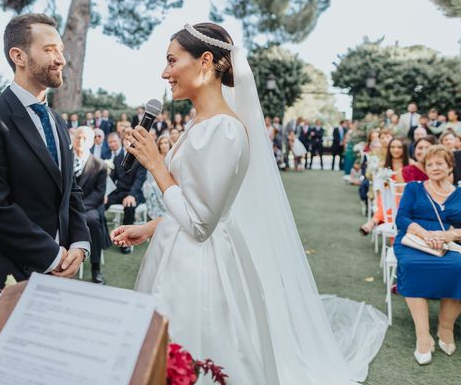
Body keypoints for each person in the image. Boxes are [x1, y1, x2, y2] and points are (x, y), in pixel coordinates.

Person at [111, 22, 386, 384]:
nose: (165, 72)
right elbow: (193, 201)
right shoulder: (198, 124)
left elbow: (201, 224)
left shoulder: (225, 130)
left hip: (202, 270)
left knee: (199, 355)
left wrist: (156, 164)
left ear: (206, 61)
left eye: (172, 60)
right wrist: (149, 228)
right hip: (173, 253)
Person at [0, 13, 90, 289]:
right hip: (7, 276)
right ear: (18, 56)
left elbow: (71, 191)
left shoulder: (57, 120)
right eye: (49, 50)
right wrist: (53, 257)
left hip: (62, 276)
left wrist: (79, 245)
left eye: (61, 51)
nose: (61, 60)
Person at [394, 145, 461, 365]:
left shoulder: (459, 193)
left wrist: (447, 235)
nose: (434, 167)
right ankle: (423, 335)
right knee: (413, 265)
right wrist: (426, 234)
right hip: (414, 240)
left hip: (450, 243)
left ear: (450, 165)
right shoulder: (414, 188)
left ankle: (445, 327)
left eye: (439, 163)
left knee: (458, 267)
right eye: (429, 164)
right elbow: (401, 218)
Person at [72, 126, 108, 284]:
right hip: (64, 206)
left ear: (92, 142)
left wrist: (79, 208)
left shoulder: (100, 165)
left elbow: (99, 193)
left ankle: (95, 268)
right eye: (78, 137)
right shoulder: (63, 160)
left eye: (85, 138)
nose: (80, 141)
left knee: (93, 221)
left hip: (88, 207)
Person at [106, 129, 147, 254]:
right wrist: (104, 193)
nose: (129, 141)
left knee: (129, 206)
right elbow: (112, 179)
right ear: (123, 141)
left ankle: (125, 241)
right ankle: (102, 236)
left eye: (132, 140)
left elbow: (140, 180)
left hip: (135, 193)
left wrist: (131, 195)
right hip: (120, 192)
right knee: (100, 203)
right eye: (126, 139)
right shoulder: (117, 158)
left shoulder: (141, 158)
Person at [359, 138, 409, 235]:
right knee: (390, 202)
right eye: (393, 147)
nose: (396, 150)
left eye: (399, 147)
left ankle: (373, 222)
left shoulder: (411, 164)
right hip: (387, 196)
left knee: (396, 202)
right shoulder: (383, 165)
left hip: (406, 197)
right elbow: (379, 186)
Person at [143, 135, 171, 220]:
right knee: (151, 187)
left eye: (166, 143)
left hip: (170, 184)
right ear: (158, 146)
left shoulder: (173, 157)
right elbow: (151, 176)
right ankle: (157, 217)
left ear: (169, 144)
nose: (164, 145)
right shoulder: (156, 158)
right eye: (161, 143)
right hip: (157, 184)